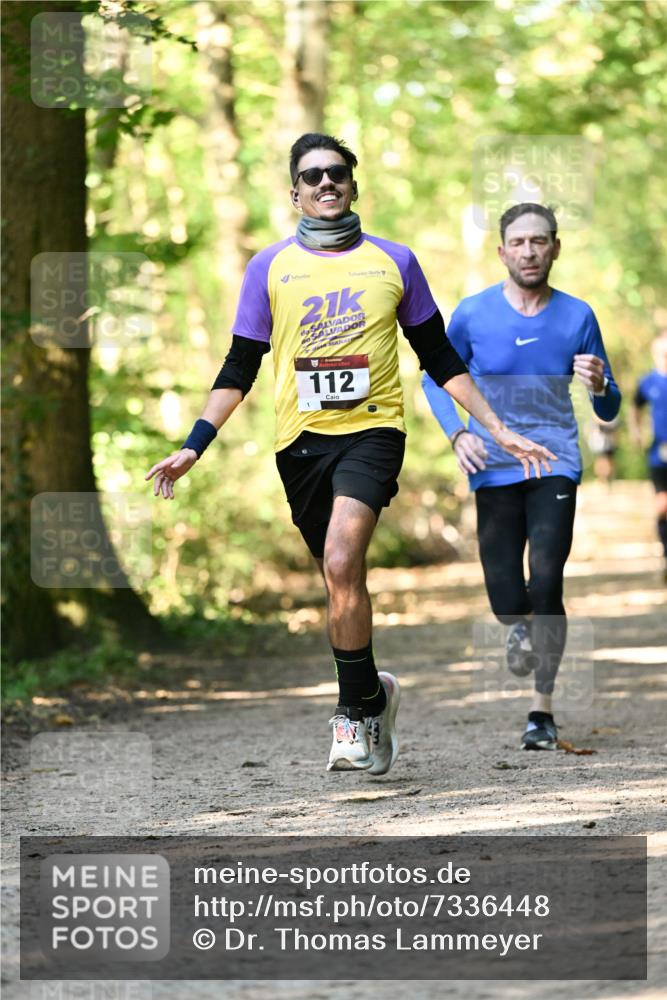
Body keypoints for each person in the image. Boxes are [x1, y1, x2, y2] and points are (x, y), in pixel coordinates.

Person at [146, 137, 555, 776]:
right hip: (299, 444)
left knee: (342, 557)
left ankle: (349, 718)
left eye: (337, 174)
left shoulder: (395, 262)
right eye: (312, 176)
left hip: (374, 431)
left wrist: (498, 429)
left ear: (353, 187)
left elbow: (440, 358)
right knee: (340, 581)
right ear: (295, 193)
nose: (326, 183)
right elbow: (240, 364)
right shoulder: (270, 268)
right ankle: (374, 695)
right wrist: (192, 445)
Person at [423, 203, 621, 751]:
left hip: (555, 459)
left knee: (549, 579)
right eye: (519, 242)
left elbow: (609, 409)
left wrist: (601, 384)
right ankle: (517, 628)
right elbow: (436, 379)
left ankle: (542, 712)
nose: (530, 251)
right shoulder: (471, 314)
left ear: (556, 247)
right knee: (507, 593)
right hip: (493, 463)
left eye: (540, 240)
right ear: (502, 251)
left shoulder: (578, 315)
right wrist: (458, 435)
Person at [630, 332, 667, 582]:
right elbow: (635, 406)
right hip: (660, 454)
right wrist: (636, 431)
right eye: (661, 351)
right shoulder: (648, 382)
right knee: (663, 506)